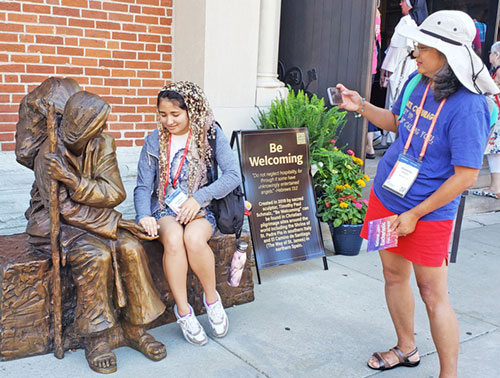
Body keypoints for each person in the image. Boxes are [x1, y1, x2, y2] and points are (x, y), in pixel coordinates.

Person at [336, 10, 498, 377]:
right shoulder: (415, 81)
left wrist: (414, 214)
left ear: (449, 54)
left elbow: (466, 177)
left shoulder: (471, 106)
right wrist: (361, 106)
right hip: (386, 196)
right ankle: (406, 348)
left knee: (433, 293)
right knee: (393, 277)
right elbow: (396, 123)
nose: (415, 54)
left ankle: (448, 373)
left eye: (424, 48)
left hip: (428, 212)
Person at [17, 81, 167, 374]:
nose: (102, 130)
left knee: (131, 247)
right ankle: (96, 339)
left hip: (97, 217)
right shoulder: (48, 154)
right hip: (55, 222)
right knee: (94, 255)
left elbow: (115, 192)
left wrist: (75, 182)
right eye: (95, 127)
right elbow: (64, 210)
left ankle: (136, 327)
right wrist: (113, 221)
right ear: (77, 129)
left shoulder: (103, 143)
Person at [134, 81, 241, 346]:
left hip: (201, 209)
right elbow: (143, 186)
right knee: (173, 240)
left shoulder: (210, 134)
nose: (168, 120)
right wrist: (143, 215)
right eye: (162, 114)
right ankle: (183, 311)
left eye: (175, 114)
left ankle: (212, 300)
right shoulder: (153, 141)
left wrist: (199, 198)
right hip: (165, 210)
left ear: (191, 110)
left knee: (193, 239)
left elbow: (233, 176)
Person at [378, 0, 428, 149]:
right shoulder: (421, 23)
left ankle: (390, 139)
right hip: (413, 67)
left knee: (394, 100)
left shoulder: (405, 21)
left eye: (403, 1)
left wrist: (386, 72)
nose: (400, 4)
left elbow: (397, 50)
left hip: (401, 66)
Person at [473, 42, 500, 199]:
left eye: (491, 52)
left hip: (497, 117)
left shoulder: (498, 72)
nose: (489, 55)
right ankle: (495, 185)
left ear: (496, 55)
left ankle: (495, 186)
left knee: (494, 151)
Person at [366, 3, 382, 160]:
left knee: (363, 105)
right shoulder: (377, 13)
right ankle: (369, 144)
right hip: (372, 63)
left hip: (364, 63)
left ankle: (368, 144)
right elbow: (379, 40)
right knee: (366, 102)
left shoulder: (368, 11)